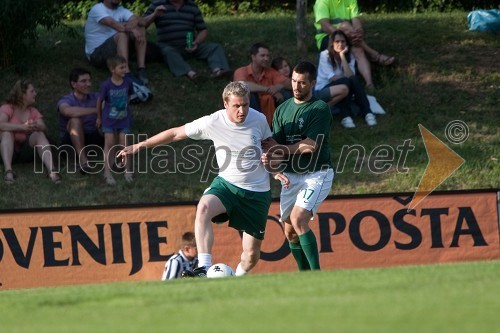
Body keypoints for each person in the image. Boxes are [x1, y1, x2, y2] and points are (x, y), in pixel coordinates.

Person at [117, 81, 289, 277]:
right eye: (236, 106)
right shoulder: (213, 122)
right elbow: (175, 134)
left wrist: (274, 168)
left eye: (245, 105)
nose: (242, 110)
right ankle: (204, 267)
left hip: (257, 193)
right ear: (225, 104)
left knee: (251, 255)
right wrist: (140, 145)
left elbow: (271, 149)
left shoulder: (258, 119)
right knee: (204, 207)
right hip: (227, 185)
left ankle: (238, 278)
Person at [262, 61, 334, 271]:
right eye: (293, 81)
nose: (296, 86)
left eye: (302, 83)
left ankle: (316, 274)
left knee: (298, 218)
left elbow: (310, 146)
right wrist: (271, 163)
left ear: (312, 83)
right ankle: (304, 277)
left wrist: (280, 150)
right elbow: (274, 146)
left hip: (316, 173)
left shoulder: (319, 109)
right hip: (291, 175)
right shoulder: (282, 109)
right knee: (290, 231)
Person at [314, 0, 395, 89]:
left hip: (348, 37)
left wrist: (359, 31)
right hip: (328, 37)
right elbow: (325, 26)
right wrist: (343, 35)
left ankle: (369, 83)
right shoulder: (322, 1)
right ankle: (374, 55)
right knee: (345, 25)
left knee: (358, 50)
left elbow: (356, 20)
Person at [141, 0, 231, 81]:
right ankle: (191, 74)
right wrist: (154, 14)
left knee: (214, 47)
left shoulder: (192, 6)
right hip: (168, 46)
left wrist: (196, 42)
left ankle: (218, 71)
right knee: (167, 51)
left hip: (189, 45)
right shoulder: (158, 4)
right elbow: (142, 24)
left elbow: (203, 30)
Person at [0, 80, 61, 185]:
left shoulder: (33, 111)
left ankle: (52, 171)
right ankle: (8, 171)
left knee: (39, 134)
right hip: (7, 150)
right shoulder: (7, 108)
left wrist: (35, 125)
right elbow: (1, 124)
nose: (35, 93)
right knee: (6, 132)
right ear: (23, 94)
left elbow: (44, 127)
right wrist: (22, 127)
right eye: (32, 91)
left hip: (25, 152)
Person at [316, 30, 377, 128]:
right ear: (332, 43)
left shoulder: (350, 56)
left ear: (346, 43)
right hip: (324, 89)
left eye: (343, 41)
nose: (340, 44)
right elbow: (332, 78)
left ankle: (365, 114)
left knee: (350, 80)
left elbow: (350, 75)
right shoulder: (324, 55)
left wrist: (342, 56)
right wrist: (348, 79)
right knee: (348, 81)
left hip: (343, 87)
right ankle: (353, 114)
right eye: (337, 41)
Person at [84, 0, 149, 84]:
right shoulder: (97, 9)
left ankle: (141, 68)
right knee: (122, 34)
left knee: (140, 29)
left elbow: (142, 22)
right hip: (96, 54)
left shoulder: (121, 10)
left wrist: (135, 22)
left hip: (114, 49)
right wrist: (132, 27)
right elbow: (113, 24)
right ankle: (126, 73)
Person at [96, 55, 134, 186]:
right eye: (121, 67)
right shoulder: (106, 85)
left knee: (125, 144)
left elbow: (129, 96)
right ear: (113, 69)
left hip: (124, 118)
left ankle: (128, 171)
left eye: (125, 66)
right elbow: (100, 101)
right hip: (109, 119)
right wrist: (99, 118)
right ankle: (107, 173)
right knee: (110, 143)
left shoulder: (128, 82)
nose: (125, 69)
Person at [233, 42, 292, 126]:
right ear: (253, 57)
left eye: (267, 56)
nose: (266, 58)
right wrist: (268, 90)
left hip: (270, 107)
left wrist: (278, 87)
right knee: (249, 95)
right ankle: (255, 127)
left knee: (286, 94)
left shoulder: (270, 72)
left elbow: (289, 82)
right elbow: (242, 85)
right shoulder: (241, 71)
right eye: (262, 55)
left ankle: (286, 127)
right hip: (250, 109)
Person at [57, 68, 104, 172]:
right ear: (73, 84)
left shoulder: (96, 97)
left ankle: (118, 154)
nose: (88, 84)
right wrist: (96, 110)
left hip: (94, 137)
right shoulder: (66, 100)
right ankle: (83, 161)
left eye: (89, 80)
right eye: (83, 81)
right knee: (75, 121)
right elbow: (67, 111)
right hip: (70, 142)